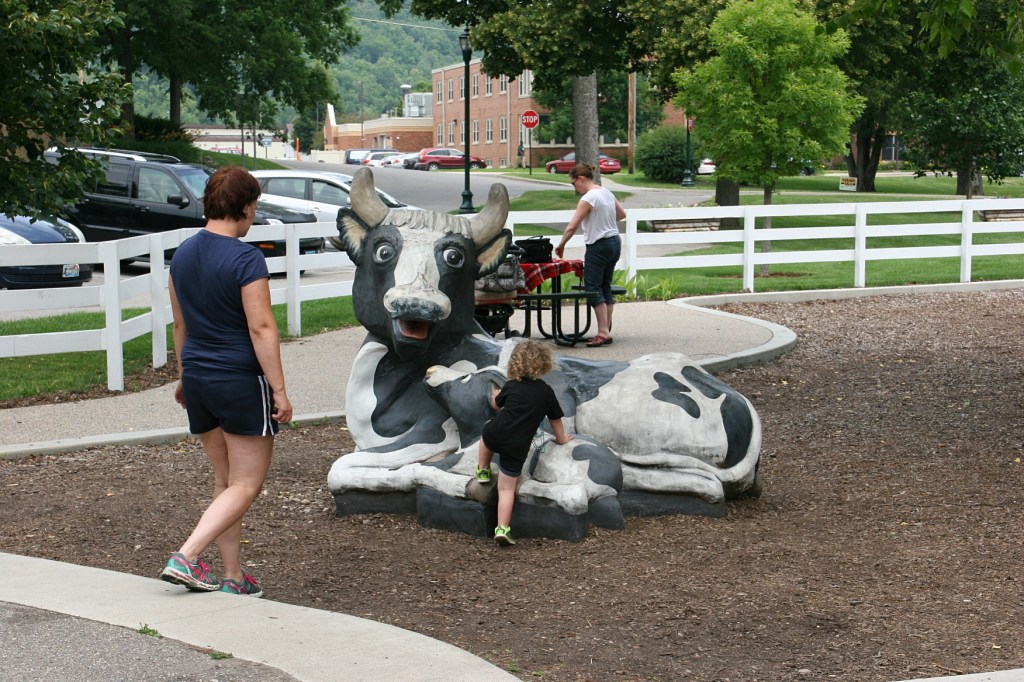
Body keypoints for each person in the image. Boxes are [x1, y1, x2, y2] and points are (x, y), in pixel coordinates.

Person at [160, 166, 293, 598]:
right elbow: (261, 327)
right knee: (246, 484)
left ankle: (233, 577)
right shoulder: (246, 258)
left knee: (226, 482)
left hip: (198, 378)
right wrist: (279, 390)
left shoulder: (182, 254)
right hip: (239, 381)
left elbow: (180, 324)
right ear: (247, 207)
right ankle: (187, 556)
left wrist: (184, 376)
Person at [475, 340, 572, 546]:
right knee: (506, 489)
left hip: (497, 433)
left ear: (514, 363)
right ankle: (502, 528)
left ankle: (483, 469)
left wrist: (495, 397)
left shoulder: (511, 385)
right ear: (544, 364)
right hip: (517, 446)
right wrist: (561, 439)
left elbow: (497, 405)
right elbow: (555, 419)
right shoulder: (546, 392)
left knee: (486, 434)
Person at [553, 163, 626, 347]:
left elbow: (572, 226)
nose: (574, 187)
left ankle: (602, 332)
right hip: (614, 242)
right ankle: (606, 329)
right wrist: (602, 220)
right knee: (605, 286)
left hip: (598, 245)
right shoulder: (606, 192)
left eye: (573, 183)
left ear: (581, 179)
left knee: (592, 287)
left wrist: (561, 245)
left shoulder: (589, 197)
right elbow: (621, 214)